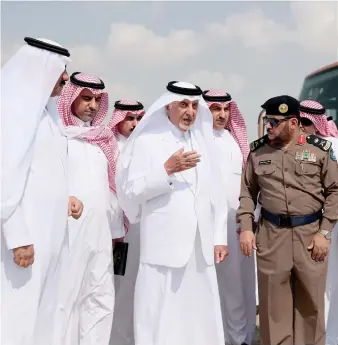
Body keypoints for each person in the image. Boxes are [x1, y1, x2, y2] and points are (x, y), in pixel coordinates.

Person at [115, 81, 228, 345]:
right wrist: (165, 169)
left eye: (194, 105)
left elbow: (217, 194)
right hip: (164, 247)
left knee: (199, 314)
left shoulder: (202, 140)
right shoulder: (147, 141)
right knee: (159, 314)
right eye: (183, 105)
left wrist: (219, 236)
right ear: (169, 105)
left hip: (200, 247)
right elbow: (130, 192)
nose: (190, 111)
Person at [1, 37, 83, 345]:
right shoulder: (12, 109)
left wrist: (66, 198)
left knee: (46, 311)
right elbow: (5, 178)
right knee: (17, 311)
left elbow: (42, 170)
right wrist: (18, 236)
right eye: (60, 70)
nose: (65, 77)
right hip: (25, 236)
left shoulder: (47, 113)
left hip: (50, 233)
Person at [237, 95, 338, 345]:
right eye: (267, 120)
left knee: (311, 305)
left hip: (310, 237)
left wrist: (325, 232)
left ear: (293, 123)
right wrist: (247, 229)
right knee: (273, 308)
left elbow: (335, 190)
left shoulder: (318, 150)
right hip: (272, 236)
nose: (268, 125)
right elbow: (247, 192)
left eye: (274, 121)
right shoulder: (258, 152)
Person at [56, 72, 120, 345]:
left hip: (100, 234)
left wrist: (117, 230)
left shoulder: (104, 139)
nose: (92, 105)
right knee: (64, 298)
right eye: (86, 98)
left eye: (97, 99)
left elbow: (113, 189)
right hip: (66, 233)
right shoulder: (57, 134)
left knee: (99, 297)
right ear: (71, 97)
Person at [202, 89, 256, 345]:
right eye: (216, 109)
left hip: (234, 225)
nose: (222, 115)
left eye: (226, 110)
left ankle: (239, 338)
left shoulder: (235, 141)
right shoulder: (197, 139)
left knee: (236, 284)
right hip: (204, 224)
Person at [299, 100, 338, 345]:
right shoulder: (292, 145)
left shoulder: (332, 145)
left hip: (330, 224)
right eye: (299, 122)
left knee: (330, 283)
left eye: (307, 123)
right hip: (304, 223)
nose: (301, 127)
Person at [109, 100, 145, 345]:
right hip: (115, 229)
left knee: (138, 286)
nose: (134, 124)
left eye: (138, 119)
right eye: (129, 118)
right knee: (118, 286)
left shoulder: (145, 148)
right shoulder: (108, 147)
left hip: (141, 229)